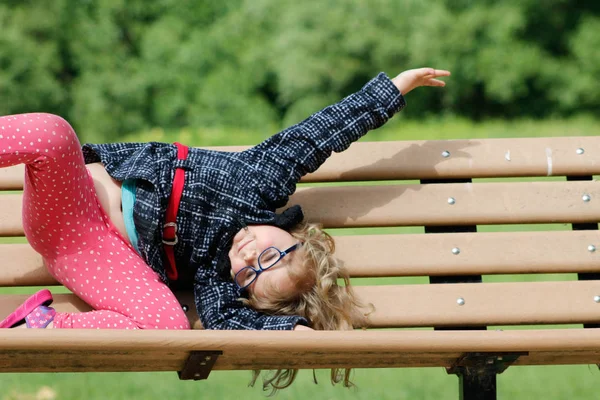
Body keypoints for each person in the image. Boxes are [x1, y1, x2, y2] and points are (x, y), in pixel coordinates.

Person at [0, 67, 449, 388]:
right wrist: (392, 90)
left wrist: (296, 334)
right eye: (270, 257)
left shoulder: (215, 281)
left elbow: (229, 321)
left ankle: (39, 323)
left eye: (250, 277)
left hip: (82, 240)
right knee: (53, 132)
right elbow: (314, 136)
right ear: (297, 237)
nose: (250, 258)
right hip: (78, 183)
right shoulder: (261, 178)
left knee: (168, 325)